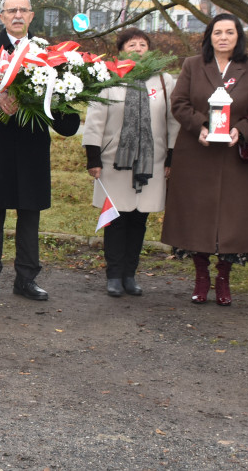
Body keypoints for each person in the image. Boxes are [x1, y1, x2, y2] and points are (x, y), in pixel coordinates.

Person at [0, 0, 81, 302]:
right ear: (1, 16)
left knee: (30, 216)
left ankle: (27, 279)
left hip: (31, 148)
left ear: (31, 16)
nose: (17, 15)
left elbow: (59, 96)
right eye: (11, 11)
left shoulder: (47, 52)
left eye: (23, 10)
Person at [162, 13, 248, 306]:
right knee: (196, 216)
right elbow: (179, 103)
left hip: (236, 156)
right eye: (217, 32)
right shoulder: (193, 65)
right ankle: (201, 276)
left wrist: (242, 129)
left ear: (239, 37)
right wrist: (200, 127)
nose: (223, 37)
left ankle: (223, 277)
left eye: (229, 32)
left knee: (233, 219)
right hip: (197, 151)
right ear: (209, 36)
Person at [82, 28, 180, 297]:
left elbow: (173, 121)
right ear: (121, 50)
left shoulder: (164, 81)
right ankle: (113, 275)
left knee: (139, 220)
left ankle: (130, 274)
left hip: (152, 162)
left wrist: (172, 157)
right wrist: (93, 157)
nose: (138, 48)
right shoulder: (109, 78)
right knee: (116, 219)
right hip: (114, 162)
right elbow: (95, 120)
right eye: (131, 44)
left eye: (143, 44)